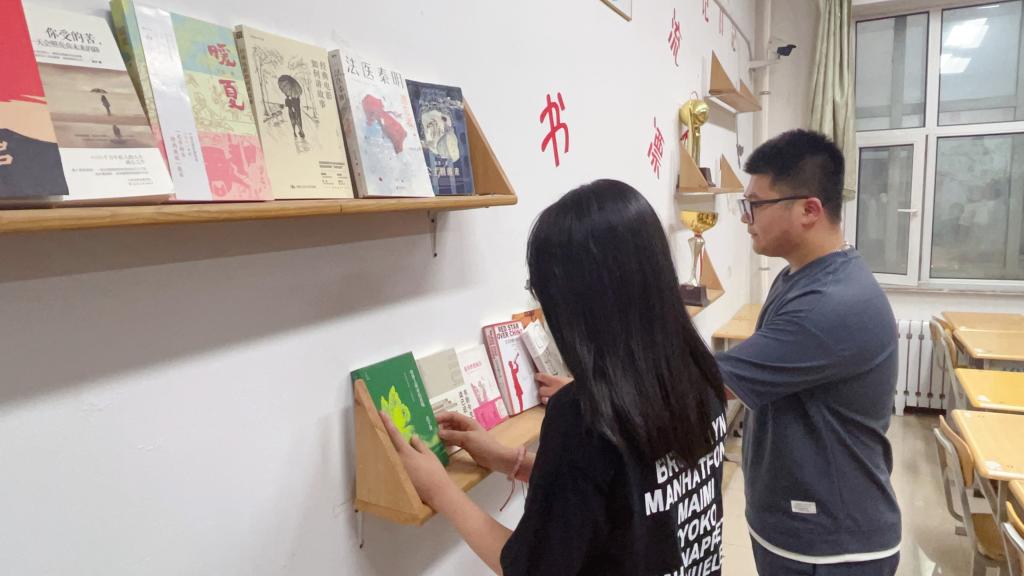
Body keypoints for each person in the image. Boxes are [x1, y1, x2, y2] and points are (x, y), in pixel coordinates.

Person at [383, 179, 727, 575]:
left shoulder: (583, 418)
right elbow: (624, 492)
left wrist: (439, 490)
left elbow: (528, 569)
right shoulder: (696, 370)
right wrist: (507, 459)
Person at [717, 130, 901, 575]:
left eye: (754, 205)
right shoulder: (798, 276)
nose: (745, 219)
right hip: (794, 527)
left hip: (832, 546)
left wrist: (595, 388)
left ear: (809, 210)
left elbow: (708, 383)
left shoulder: (831, 303)